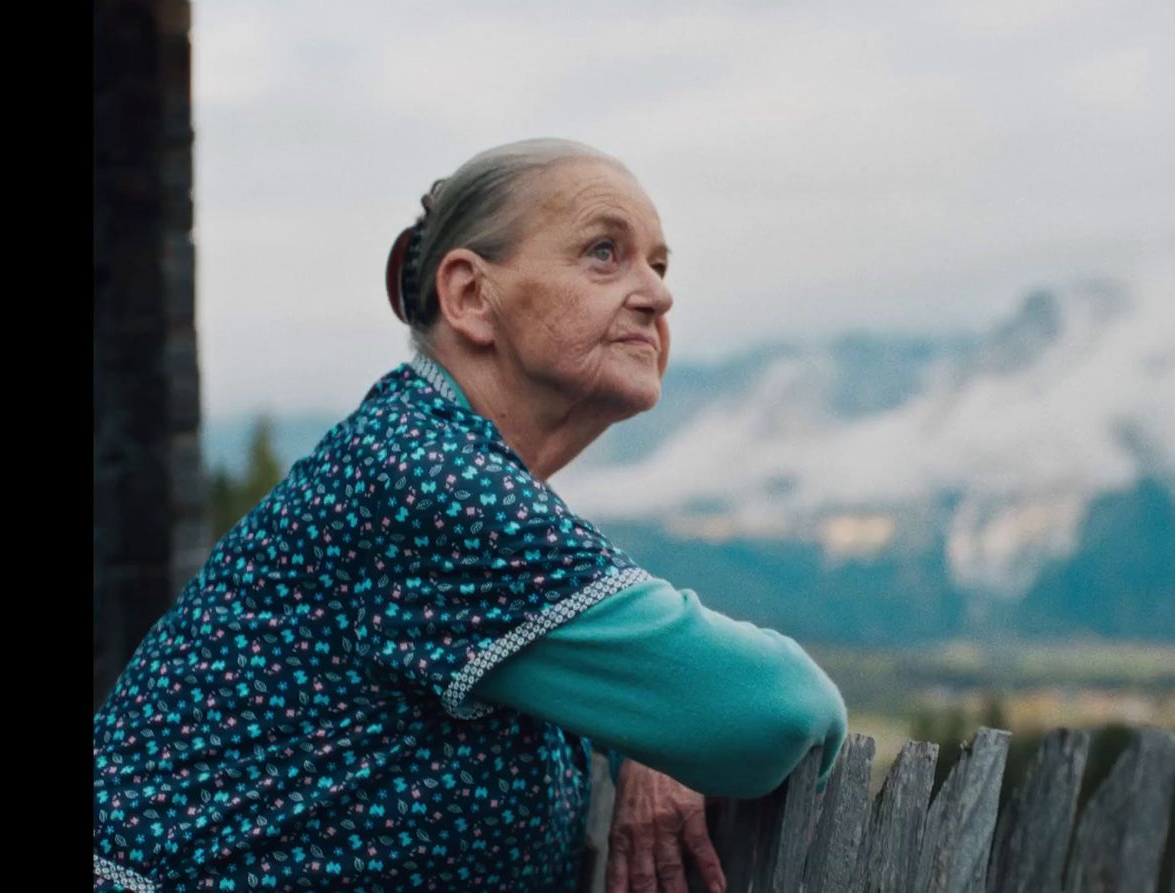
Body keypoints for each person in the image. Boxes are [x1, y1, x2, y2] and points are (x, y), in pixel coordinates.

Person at [93, 139, 849, 893]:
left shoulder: (432, 460)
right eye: (603, 252)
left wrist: (653, 738)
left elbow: (673, 695)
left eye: (659, 262)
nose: (657, 293)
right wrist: (683, 719)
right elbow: (780, 710)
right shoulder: (430, 483)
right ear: (469, 297)